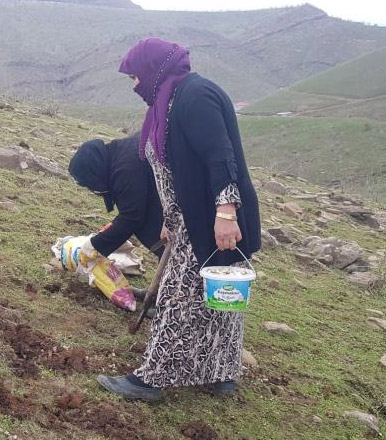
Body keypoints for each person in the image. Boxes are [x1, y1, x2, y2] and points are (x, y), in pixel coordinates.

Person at [95, 38, 261, 401]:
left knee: (179, 298)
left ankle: (151, 379)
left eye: (135, 76)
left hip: (212, 219)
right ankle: (221, 373)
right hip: (190, 218)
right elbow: (176, 170)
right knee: (219, 295)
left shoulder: (195, 96)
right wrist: (169, 218)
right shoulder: (168, 101)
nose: (134, 85)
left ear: (153, 69)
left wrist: (226, 213)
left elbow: (220, 157)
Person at [68, 134, 163, 259]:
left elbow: (131, 217)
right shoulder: (118, 154)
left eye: (89, 183)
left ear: (94, 172)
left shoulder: (125, 169)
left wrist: (95, 245)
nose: (93, 189)